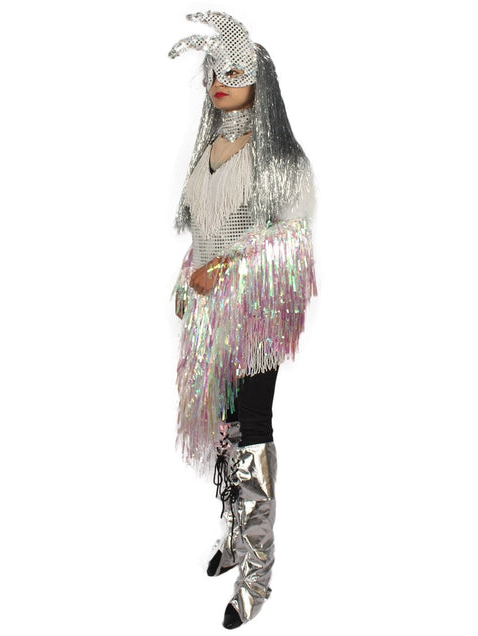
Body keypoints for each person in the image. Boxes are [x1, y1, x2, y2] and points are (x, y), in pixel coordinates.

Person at [168, 11, 317, 629]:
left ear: (260, 80)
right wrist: (188, 276)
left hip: (254, 314)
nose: (221, 83)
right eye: (214, 73)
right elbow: (205, 233)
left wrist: (227, 268)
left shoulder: (279, 158)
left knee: (251, 426)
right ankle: (234, 533)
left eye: (235, 72)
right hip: (209, 318)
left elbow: (293, 237)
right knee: (225, 429)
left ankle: (257, 574)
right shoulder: (209, 151)